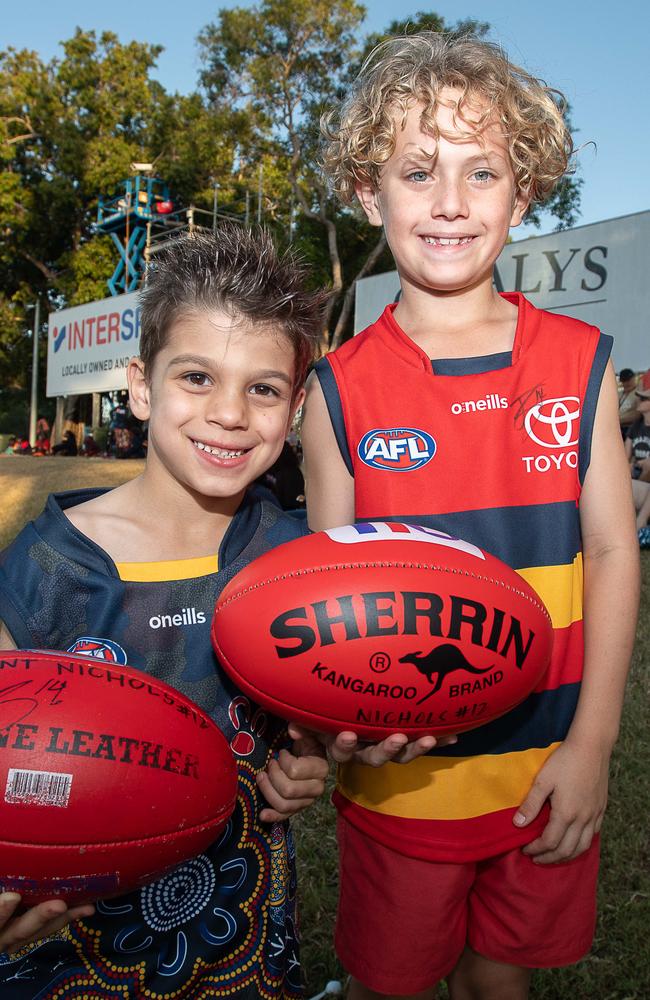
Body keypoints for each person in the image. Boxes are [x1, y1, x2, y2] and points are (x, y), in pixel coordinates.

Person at [301, 32, 640, 1000]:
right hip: (401, 786)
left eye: (478, 170)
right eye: (417, 171)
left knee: (500, 983)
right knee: (391, 983)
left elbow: (613, 548)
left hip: (545, 771)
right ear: (370, 196)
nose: (448, 201)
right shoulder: (337, 390)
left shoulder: (576, 363)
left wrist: (589, 747)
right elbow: (332, 598)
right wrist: (344, 727)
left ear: (519, 192)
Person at [0, 226, 332, 999]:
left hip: (239, 933)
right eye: (196, 377)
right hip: (72, 948)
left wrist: (311, 764)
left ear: (295, 407)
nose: (229, 413)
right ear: (141, 386)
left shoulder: (296, 559)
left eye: (263, 388)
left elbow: (313, 722)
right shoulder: (48, 566)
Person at [625, 387, 650, 482]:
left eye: (643, 399)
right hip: (636, 473)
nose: (638, 401)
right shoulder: (635, 426)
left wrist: (637, 464)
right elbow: (626, 456)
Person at [617, 368, 639, 437]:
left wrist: (617, 420)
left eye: (628, 380)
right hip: (618, 429)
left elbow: (637, 414)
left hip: (632, 429)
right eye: (623, 381)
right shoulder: (619, 394)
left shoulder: (639, 393)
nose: (626, 383)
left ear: (634, 378)